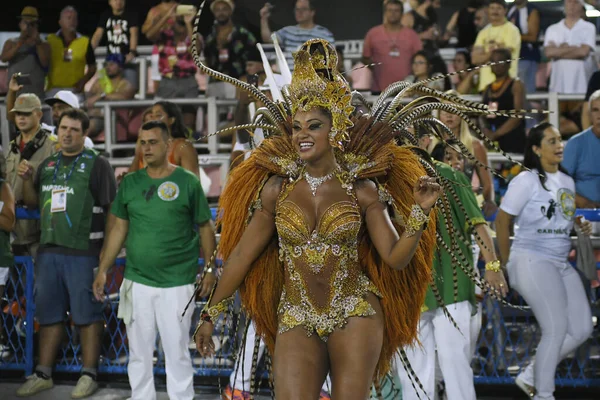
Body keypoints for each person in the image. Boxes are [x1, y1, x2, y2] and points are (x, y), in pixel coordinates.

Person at [188, 0, 508, 384]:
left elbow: (395, 258)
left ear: (335, 129)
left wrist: (420, 213)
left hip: (355, 313)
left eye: (314, 126)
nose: (302, 134)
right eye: (297, 126)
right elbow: (240, 256)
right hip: (296, 315)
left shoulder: (362, 189)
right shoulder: (276, 190)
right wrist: (210, 314)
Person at [92, 120, 216, 400]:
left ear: (168, 145)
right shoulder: (131, 182)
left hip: (178, 283)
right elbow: (119, 229)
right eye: (142, 142)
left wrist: (209, 268)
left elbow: (205, 227)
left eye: (152, 142)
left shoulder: (187, 181)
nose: (146, 148)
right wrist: (103, 269)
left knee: (177, 353)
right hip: (138, 282)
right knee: (138, 354)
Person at [397, 130, 506, 400]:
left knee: (453, 361)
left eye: (404, 139)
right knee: (413, 368)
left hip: (451, 283)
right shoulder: (388, 180)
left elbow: (477, 222)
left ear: (424, 141)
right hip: (409, 288)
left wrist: (492, 266)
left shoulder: (449, 175)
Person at [15, 109, 117, 398]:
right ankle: (43, 373)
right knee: (49, 314)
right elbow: (34, 203)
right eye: (63, 128)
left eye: (74, 129)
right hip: (48, 251)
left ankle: (89, 374)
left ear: (84, 134)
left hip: (84, 252)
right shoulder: (47, 164)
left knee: (87, 314)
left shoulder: (98, 165)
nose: (68, 133)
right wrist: (26, 178)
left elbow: (113, 212)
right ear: (57, 131)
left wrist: (107, 258)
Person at [495, 122, 594, 400]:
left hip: (560, 261)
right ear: (536, 149)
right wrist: (503, 265)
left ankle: (529, 376)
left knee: (583, 328)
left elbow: (562, 216)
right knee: (556, 328)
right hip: (530, 258)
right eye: (551, 141)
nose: (559, 145)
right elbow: (503, 221)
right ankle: (544, 394)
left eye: (560, 140)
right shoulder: (526, 180)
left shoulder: (567, 181)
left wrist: (579, 224)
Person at [4, 89, 56, 258]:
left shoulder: (52, 146)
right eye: (18, 114)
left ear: (39, 115)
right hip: (13, 230)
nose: (21, 118)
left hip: (39, 231)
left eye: (26, 113)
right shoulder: (12, 147)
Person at [432, 91, 496, 217]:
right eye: (445, 110)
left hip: (468, 209)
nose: (449, 115)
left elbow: (487, 185)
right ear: (439, 114)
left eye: (454, 110)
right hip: (437, 208)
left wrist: (472, 206)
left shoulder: (475, 146)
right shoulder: (431, 144)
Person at [362, 0, 423, 93]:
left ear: (402, 13)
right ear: (385, 12)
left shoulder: (412, 35)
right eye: (390, 10)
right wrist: (378, 68)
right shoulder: (373, 33)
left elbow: (420, 58)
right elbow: (365, 58)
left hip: (406, 89)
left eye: (396, 10)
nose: (393, 13)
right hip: (379, 89)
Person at [128, 101, 200, 179]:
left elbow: (193, 184)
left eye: (158, 115)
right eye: (151, 116)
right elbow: (130, 183)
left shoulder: (183, 147)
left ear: (171, 120)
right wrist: (138, 154)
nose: (153, 119)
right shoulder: (144, 145)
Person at [259, 0, 335, 69]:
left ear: (312, 12)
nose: (299, 12)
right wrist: (264, 18)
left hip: (314, 81)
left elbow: (333, 59)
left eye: (303, 9)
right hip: (291, 80)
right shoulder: (288, 31)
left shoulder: (324, 34)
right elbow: (267, 38)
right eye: (297, 9)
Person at [480, 48, 526, 154]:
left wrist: (496, 134)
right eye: (493, 61)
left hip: (513, 139)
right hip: (492, 141)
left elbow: (518, 114)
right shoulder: (487, 88)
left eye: (500, 61)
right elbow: (482, 114)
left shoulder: (516, 85)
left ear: (508, 64)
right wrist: (485, 131)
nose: (496, 64)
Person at [46, 6, 97, 99]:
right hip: (53, 90)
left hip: (75, 91)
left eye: (74, 18)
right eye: (69, 18)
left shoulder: (84, 41)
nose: (72, 21)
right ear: (60, 22)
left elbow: (92, 67)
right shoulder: (50, 40)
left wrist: (83, 81)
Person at [0, 7, 50, 100]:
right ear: (20, 24)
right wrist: (20, 42)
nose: (28, 27)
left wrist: (37, 42)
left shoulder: (44, 44)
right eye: (26, 23)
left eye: (32, 24)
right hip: (15, 94)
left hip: (36, 95)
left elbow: (45, 62)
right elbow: (3, 58)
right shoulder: (11, 42)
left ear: (37, 25)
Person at [471, 0, 521, 92]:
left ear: (505, 11)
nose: (495, 11)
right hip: (485, 85)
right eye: (492, 8)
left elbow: (503, 56)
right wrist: (494, 51)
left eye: (499, 8)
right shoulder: (483, 32)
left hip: (506, 85)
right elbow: (475, 59)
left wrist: (485, 54)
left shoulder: (512, 30)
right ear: (488, 10)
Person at [562, 90, 600, 209]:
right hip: (584, 214)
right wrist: (583, 202)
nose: (599, 116)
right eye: (595, 110)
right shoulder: (576, 143)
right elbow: (560, 183)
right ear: (589, 115)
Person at [85, 53, 136, 140]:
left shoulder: (126, 84)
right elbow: (89, 99)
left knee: (89, 126)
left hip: (113, 119)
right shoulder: (99, 83)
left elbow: (124, 97)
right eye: (106, 64)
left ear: (120, 67)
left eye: (112, 64)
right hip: (95, 116)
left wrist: (102, 95)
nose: (108, 67)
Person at [91, 0, 140, 88]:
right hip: (110, 60)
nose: (118, 2)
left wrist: (132, 52)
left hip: (126, 61)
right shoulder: (105, 16)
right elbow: (97, 35)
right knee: (102, 85)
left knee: (129, 88)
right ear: (110, 2)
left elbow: (134, 34)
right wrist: (89, 51)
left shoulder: (131, 15)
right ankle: (103, 97)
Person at [507, 0, 541, 95]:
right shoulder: (511, 9)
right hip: (511, 57)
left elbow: (533, 37)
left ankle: (526, 109)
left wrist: (514, 37)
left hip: (526, 56)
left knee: (525, 91)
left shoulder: (531, 10)